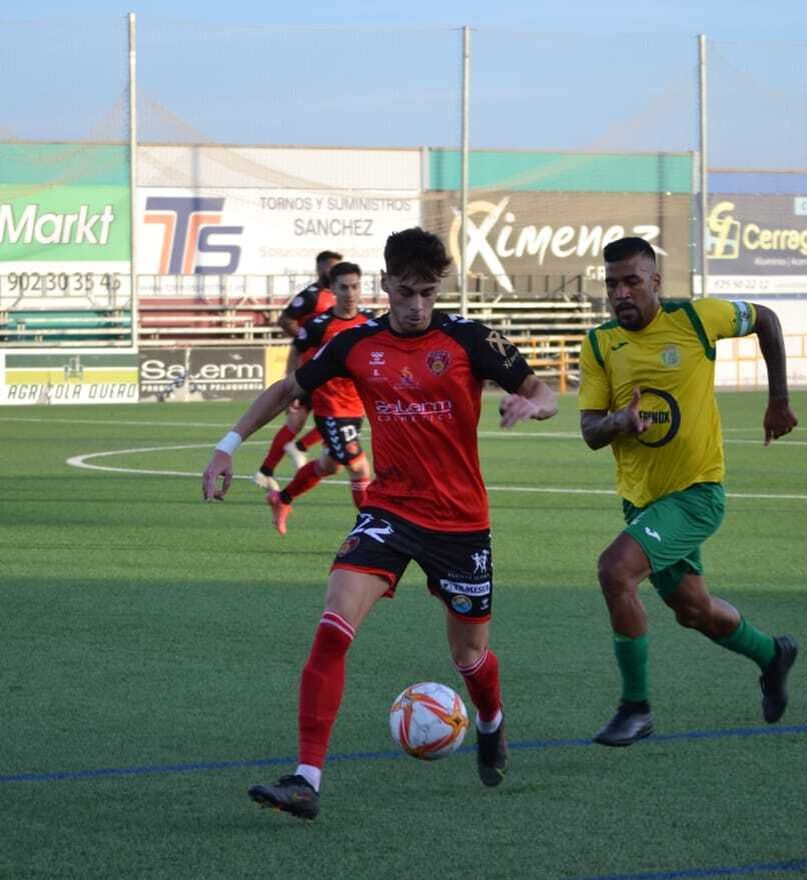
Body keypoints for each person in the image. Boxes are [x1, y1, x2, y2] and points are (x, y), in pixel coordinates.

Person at [203, 228, 558, 819]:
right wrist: (227, 445)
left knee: (470, 656)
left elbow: (543, 390)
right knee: (333, 624)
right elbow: (288, 389)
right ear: (386, 284)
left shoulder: (470, 338)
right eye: (406, 291)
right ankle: (306, 778)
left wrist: (532, 404)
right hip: (389, 510)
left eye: (428, 292)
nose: (417, 305)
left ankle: (491, 719)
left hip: (460, 523)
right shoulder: (356, 343)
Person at [579, 236, 799, 747]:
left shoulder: (698, 318)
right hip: (642, 501)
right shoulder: (600, 345)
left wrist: (779, 400)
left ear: (656, 281)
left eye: (632, 281)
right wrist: (618, 422)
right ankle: (772, 654)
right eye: (612, 284)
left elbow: (766, 319)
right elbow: (590, 431)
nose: (621, 293)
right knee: (693, 611)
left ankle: (636, 708)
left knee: (615, 570)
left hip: (697, 494)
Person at [265, 261, 376, 534]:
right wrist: (293, 390)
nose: (350, 293)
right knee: (360, 469)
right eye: (344, 287)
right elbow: (297, 351)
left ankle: (282, 499)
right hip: (331, 407)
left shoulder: (371, 320)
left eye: (355, 286)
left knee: (329, 466)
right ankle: (370, 529)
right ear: (333, 290)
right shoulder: (319, 325)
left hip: (356, 407)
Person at [254, 249, 344, 490]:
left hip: (328, 370)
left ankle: (266, 471)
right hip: (311, 368)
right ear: (320, 268)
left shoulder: (337, 296)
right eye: (331, 267)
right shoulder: (311, 296)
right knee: (331, 415)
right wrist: (307, 338)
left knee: (303, 419)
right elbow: (285, 319)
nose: (334, 272)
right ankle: (296, 450)